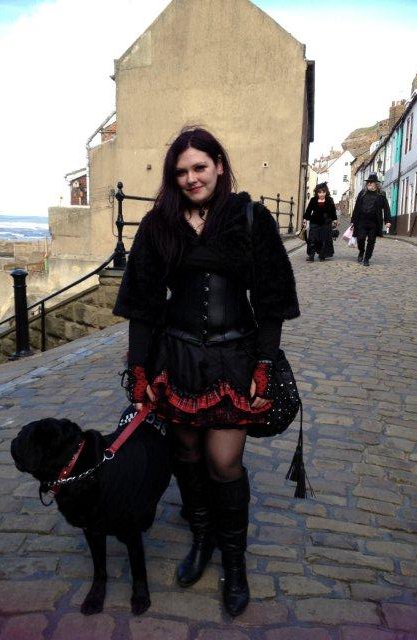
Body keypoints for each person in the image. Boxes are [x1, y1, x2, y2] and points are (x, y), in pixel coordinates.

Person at [113, 127, 300, 617]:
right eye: (182, 171)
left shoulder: (249, 218)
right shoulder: (160, 224)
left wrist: (264, 361)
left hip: (233, 356)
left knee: (223, 461)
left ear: (219, 164)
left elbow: (273, 299)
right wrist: (138, 371)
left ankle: (233, 562)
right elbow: (144, 305)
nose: (192, 178)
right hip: (176, 358)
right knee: (186, 451)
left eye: (199, 167)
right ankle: (201, 537)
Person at [351, 173, 391, 266]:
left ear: (376, 184)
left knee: (371, 241)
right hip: (362, 221)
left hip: (374, 223)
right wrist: (353, 221)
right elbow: (356, 207)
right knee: (360, 239)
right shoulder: (362, 193)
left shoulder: (381, 194)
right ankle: (361, 251)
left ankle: (367, 258)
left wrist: (387, 221)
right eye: (368, 182)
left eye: (371, 182)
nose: (369, 183)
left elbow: (386, 208)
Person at [302, 182, 338, 262]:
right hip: (314, 222)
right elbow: (308, 211)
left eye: (323, 192)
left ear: (326, 192)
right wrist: (305, 219)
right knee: (312, 239)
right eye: (319, 192)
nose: (321, 194)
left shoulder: (329, 200)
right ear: (317, 192)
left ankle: (322, 255)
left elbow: (333, 211)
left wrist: (335, 220)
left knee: (323, 240)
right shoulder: (313, 200)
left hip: (326, 223)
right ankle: (311, 256)